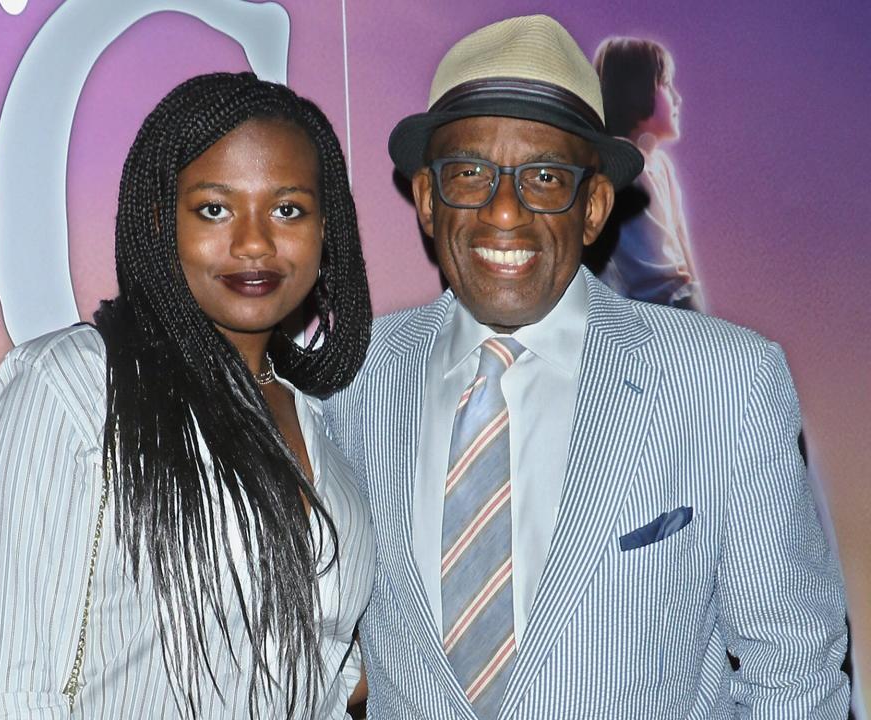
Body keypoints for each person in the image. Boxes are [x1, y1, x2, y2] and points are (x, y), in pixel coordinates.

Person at [324, 14, 849, 719]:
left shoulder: (726, 384)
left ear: (594, 205)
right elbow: (327, 647)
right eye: (470, 172)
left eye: (544, 176)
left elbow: (794, 670)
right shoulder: (350, 379)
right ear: (426, 198)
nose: (502, 212)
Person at [0, 72, 374, 719]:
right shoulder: (76, 388)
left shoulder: (324, 426)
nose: (255, 242)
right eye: (214, 208)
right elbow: (15, 690)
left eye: (288, 208)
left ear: (327, 231)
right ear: (159, 220)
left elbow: (324, 677)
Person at [593, 37, 705, 311]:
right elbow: (658, 281)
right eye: (666, 84)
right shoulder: (625, 170)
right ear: (636, 91)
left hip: (672, 314)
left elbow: (685, 266)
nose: (678, 98)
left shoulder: (660, 165)